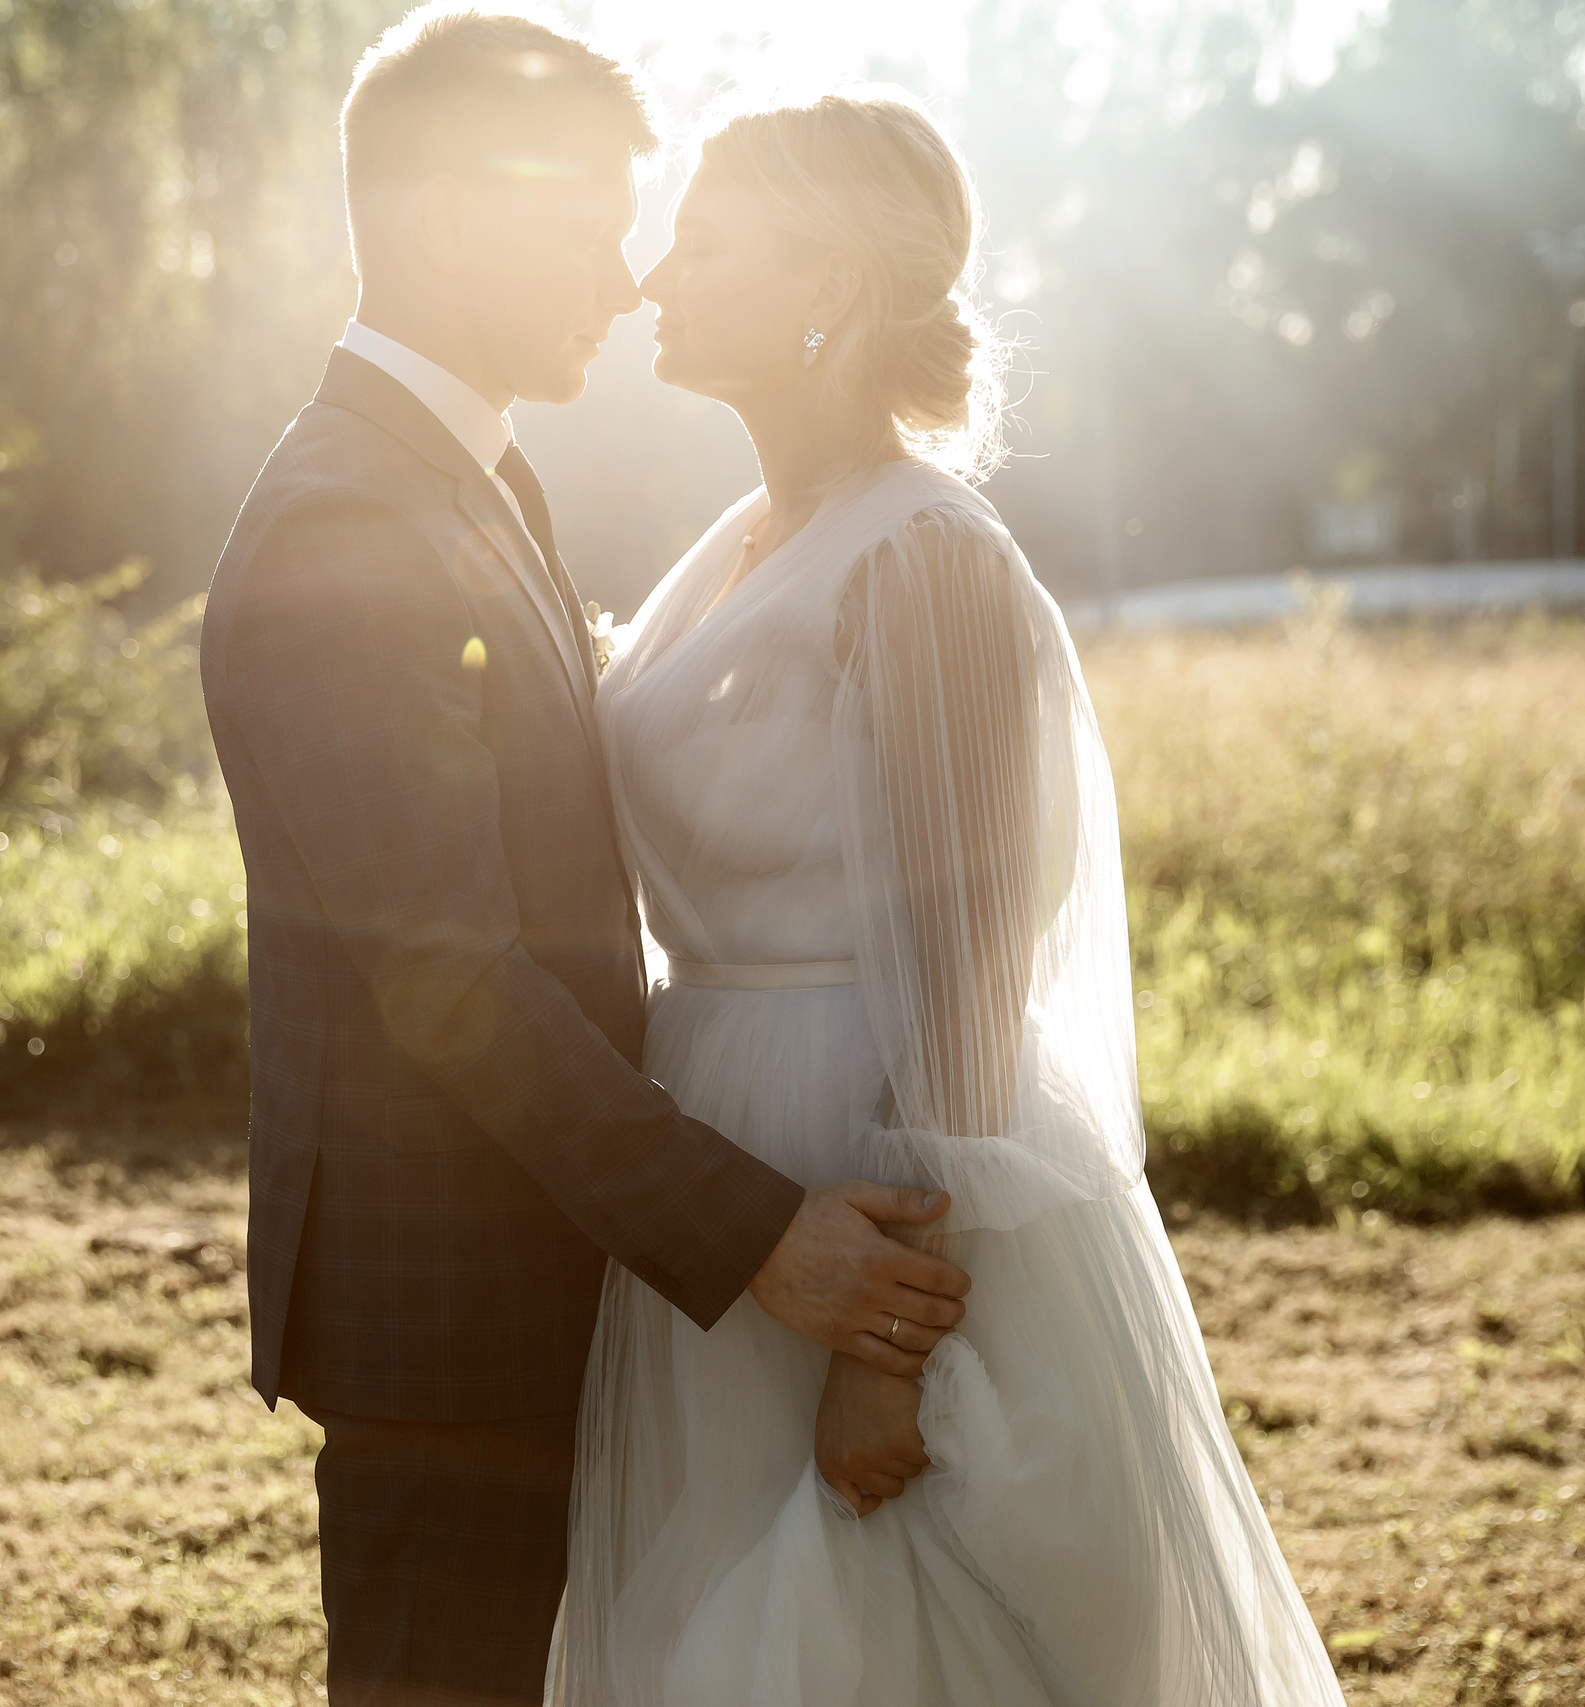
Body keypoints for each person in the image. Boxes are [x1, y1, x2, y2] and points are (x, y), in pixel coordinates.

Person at [197, 14, 974, 1705]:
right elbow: (449, 985)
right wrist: (761, 1234)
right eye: (592, 226)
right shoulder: (350, 518)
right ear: (459, 217)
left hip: (547, 1263)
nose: (625, 283)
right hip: (448, 1299)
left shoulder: (473, 480)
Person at [546, 92, 1348, 1704]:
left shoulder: (926, 564)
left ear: (825, 283)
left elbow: (974, 973)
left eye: (703, 245)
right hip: (714, 1146)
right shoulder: (740, 539)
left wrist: (880, 1348)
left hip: (869, 1156)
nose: (650, 281)